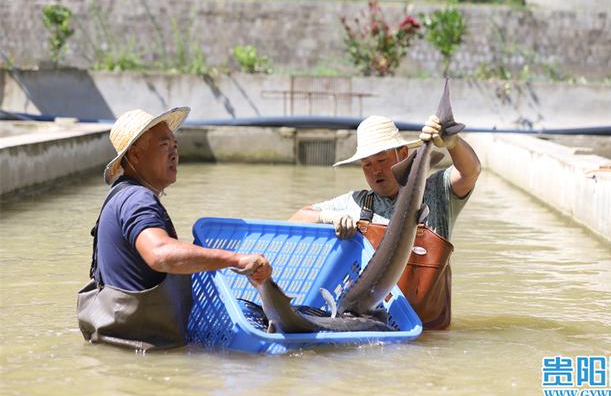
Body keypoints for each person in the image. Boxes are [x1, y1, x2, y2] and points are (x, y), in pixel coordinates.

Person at [77, 107, 272, 351]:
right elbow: (160, 254)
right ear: (135, 155)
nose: (174, 154)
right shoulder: (138, 200)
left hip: (117, 351)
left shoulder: (121, 195)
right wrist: (236, 259)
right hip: (141, 354)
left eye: (175, 146)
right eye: (164, 145)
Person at [289, 114, 481, 329]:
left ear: (403, 154)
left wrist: (453, 143)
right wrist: (327, 217)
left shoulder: (436, 193)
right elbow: (295, 220)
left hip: (430, 334)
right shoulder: (356, 202)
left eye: (382, 160)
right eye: (367, 164)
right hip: (370, 326)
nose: (375, 170)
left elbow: (470, 172)